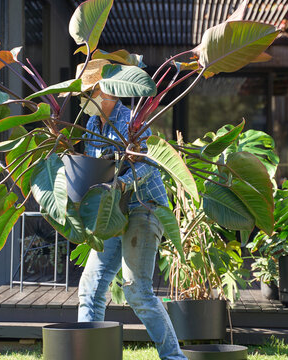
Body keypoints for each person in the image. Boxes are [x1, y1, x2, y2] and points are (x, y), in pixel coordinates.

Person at [75, 59, 187, 360]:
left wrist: (122, 184)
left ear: (107, 92)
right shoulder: (91, 124)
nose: (86, 99)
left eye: (90, 92)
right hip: (112, 209)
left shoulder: (132, 121)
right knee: (90, 288)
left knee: (137, 290)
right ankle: (89, 354)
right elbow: (94, 167)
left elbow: (149, 166)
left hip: (143, 206)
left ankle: (174, 358)